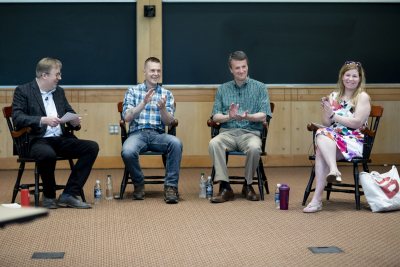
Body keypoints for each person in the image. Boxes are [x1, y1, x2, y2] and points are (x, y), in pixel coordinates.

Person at [12, 57, 99, 209]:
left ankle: (69, 194)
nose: (60, 78)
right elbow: (18, 118)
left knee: (92, 147)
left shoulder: (59, 92)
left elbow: (69, 111)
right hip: (36, 139)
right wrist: (43, 120)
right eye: (57, 74)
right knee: (47, 154)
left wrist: (74, 121)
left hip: (60, 138)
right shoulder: (23, 91)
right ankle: (49, 195)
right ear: (44, 75)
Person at [303, 61, 371, 213]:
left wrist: (334, 115)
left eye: (355, 76)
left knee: (321, 144)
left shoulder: (362, 97)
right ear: (342, 76)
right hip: (333, 138)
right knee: (322, 137)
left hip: (354, 141)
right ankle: (333, 171)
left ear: (360, 78)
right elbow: (327, 123)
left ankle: (317, 199)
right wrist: (326, 109)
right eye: (348, 75)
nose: (351, 79)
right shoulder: (334, 95)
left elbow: (356, 123)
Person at [208, 51, 272, 203]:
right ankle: (225, 186)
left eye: (244, 67)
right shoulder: (222, 89)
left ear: (247, 66)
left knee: (255, 147)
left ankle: (248, 185)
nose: (241, 71)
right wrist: (229, 116)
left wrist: (248, 116)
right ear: (231, 70)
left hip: (250, 133)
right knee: (214, 143)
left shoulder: (260, 88)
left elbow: (264, 115)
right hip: (227, 133)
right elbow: (215, 116)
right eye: (237, 68)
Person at [121, 57, 182, 204]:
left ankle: (170, 187)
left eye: (158, 71)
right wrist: (143, 103)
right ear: (145, 72)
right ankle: (139, 182)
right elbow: (127, 118)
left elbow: (169, 122)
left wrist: (162, 109)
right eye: (152, 70)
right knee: (127, 151)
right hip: (137, 134)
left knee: (176, 143)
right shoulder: (133, 91)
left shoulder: (167, 94)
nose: (156, 73)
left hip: (158, 135)